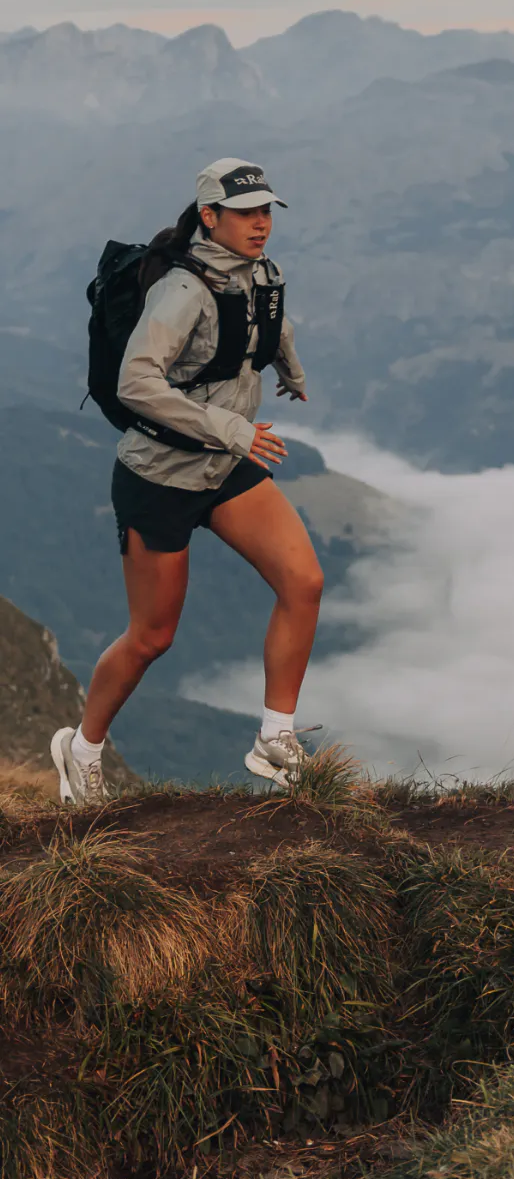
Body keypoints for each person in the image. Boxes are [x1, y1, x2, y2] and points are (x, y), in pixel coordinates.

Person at [51, 158, 325, 803]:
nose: (260, 224)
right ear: (210, 217)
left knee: (304, 582)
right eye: (245, 213)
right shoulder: (182, 290)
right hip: (161, 478)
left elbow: (267, 321)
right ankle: (82, 749)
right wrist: (232, 429)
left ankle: (276, 738)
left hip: (225, 468)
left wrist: (289, 367)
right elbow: (136, 381)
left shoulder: (262, 273)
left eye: (266, 211)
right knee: (152, 637)